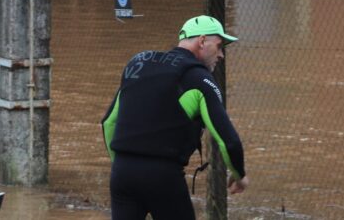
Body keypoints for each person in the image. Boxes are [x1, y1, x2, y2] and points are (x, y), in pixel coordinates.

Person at [101, 15, 249, 219]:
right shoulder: (199, 79)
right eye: (219, 46)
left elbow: (108, 122)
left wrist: (122, 166)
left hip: (122, 174)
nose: (221, 54)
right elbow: (228, 140)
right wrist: (239, 174)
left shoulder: (139, 64)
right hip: (162, 176)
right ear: (202, 41)